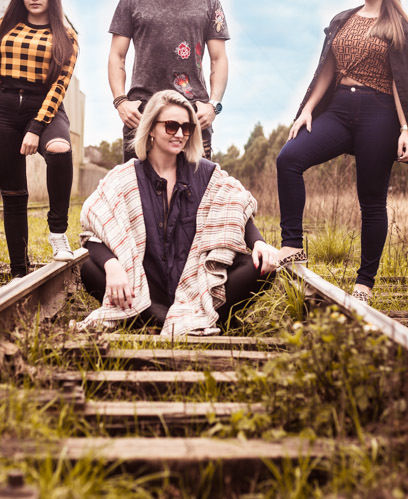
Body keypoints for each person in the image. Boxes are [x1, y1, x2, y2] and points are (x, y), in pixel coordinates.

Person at [275, 0, 408, 302]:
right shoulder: (342, 20)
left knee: (371, 200)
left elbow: (401, 84)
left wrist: (406, 129)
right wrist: (307, 110)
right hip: (339, 109)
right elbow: (327, 69)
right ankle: (292, 246)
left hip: (379, 112)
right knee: (289, 159)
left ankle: (364, 284)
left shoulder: (400, 28)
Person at [78, 90, 279, 335]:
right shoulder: (125, 177)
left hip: (198, 288)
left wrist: (259, 243)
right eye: (171, 126)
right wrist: (113, 266)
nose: (180, 134)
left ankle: (165, 320)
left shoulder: (205, 173)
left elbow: (236, 208)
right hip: (145, 292)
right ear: (151, 129)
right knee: (90, 269)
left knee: (261, 266)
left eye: (187, 127)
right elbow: (93, 232)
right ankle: (177, 320)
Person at [0, 0, 78, 277]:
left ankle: (57, 232)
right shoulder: (4, 25)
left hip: (45, 106)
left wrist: (35, 128)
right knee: (14, 193)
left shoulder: (66, 36)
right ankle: (19, 269)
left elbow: (59, 86)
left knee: (59, 149)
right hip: (2, 109)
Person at [108, 0, 230, 161]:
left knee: (195, 184)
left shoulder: (209, 1)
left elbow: (219, 59)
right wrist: (121, 101)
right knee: (137, 184)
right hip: (142, 113)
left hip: (193, 113)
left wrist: (213, 105)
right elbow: (116, 55)